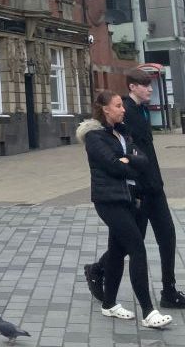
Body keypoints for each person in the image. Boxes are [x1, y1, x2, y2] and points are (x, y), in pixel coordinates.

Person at [84, 68, 185, 308]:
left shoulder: (140, 110)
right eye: (145, 85)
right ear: (132, 87)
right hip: (138, 190)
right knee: (132, 243)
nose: (150, 89)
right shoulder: (125, 111)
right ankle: (98, 269)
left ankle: (169, 291)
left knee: (167, 237)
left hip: (154, 186)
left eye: (149, 85)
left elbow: (144, 153)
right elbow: (122, 152)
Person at [76, 89, 171, 329]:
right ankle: (149, 312)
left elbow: (142, 160)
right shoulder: (94, 137)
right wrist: (127, 162)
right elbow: (113, 166)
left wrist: (128, 160)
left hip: (129, 197)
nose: (123, 109)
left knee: (117, 252)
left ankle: (109, 304)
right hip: (109, 200)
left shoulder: (122, 132)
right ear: (105, 109)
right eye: (118, 105)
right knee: (137, 249)